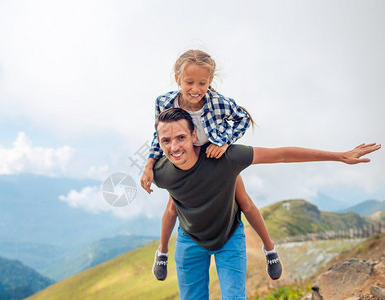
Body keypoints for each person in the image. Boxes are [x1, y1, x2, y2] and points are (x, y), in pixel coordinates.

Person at [152, 107, 380, 299]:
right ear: (159, 143)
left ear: (194, 135)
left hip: (228, 237)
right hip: (189, 240)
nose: (174, 147)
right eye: (166, 141)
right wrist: (163, 252)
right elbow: (172, 207)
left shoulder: (225, 158)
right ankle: (161, 255)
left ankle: (270, 249)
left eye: (181, 137)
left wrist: (339, 156)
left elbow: (281, 154)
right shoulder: (161, 172)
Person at [140, 49, 281, 281]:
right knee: (173, 207)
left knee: (244, 202)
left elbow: (243, 119)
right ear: (177, 79)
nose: (195, 89)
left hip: (215, 158)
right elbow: (159, 135)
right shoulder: (164, 102)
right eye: (189, 82)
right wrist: (149, 163)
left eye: (202, 83)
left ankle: (270, 249)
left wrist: (224, 142)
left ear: (210, 82)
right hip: (183, 158)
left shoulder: (218, 102)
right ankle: (162, 252)